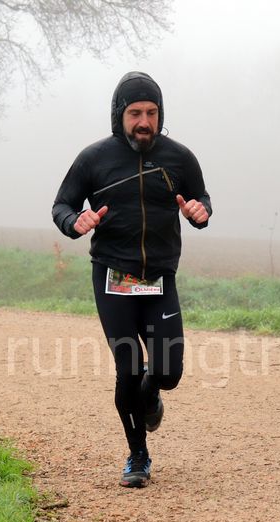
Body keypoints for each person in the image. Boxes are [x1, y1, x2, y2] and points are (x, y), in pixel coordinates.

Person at [52, 72, 212, 488]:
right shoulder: (94, 159)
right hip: (113, 277)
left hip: (159, 278)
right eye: (135, 113)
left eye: (152, 113)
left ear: (161, 114)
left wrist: (200, 212)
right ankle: (138, 455)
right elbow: (62, 205)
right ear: (119, 115)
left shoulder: (180, 158)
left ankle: (152, 389)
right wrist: (75, 221)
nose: (144, 122)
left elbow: (201, 198)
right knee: (127, 368)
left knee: (168, 372)